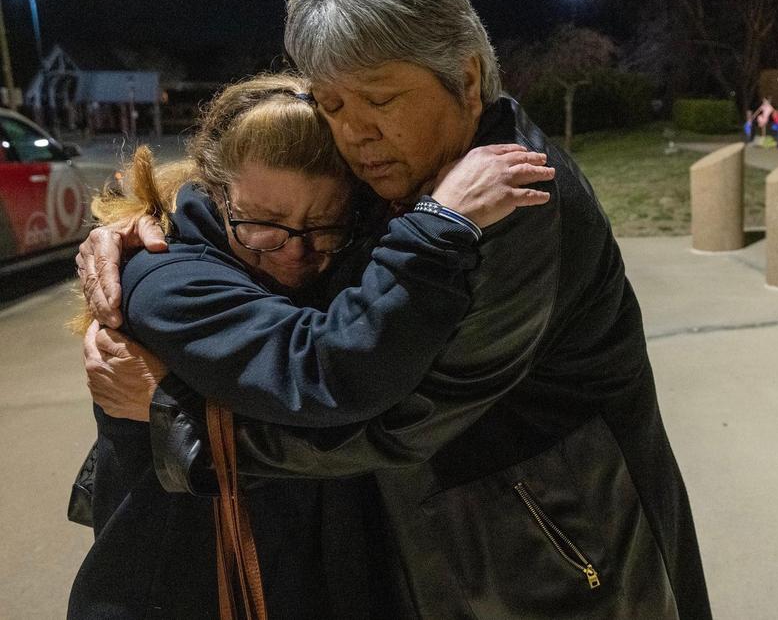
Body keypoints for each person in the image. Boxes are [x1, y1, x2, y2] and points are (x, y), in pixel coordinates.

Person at [79, 0, 712, 618]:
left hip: (561, 564)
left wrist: (187, 427)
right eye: (333, 105)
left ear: (467, 80)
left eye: (380, 99)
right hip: (449, 555)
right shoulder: (400, 176)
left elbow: (390, 415)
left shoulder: (518, 202)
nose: (355, 134)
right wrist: (146, 226)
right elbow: (270, 214)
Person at [70, 72, 552, 619]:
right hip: (176, 596)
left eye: (322, 225)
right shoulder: (162, 279)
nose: (294, 254)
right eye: (264, 224)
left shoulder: (344, 262)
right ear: (216, 191)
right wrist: (440, 226)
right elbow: (317, 371)